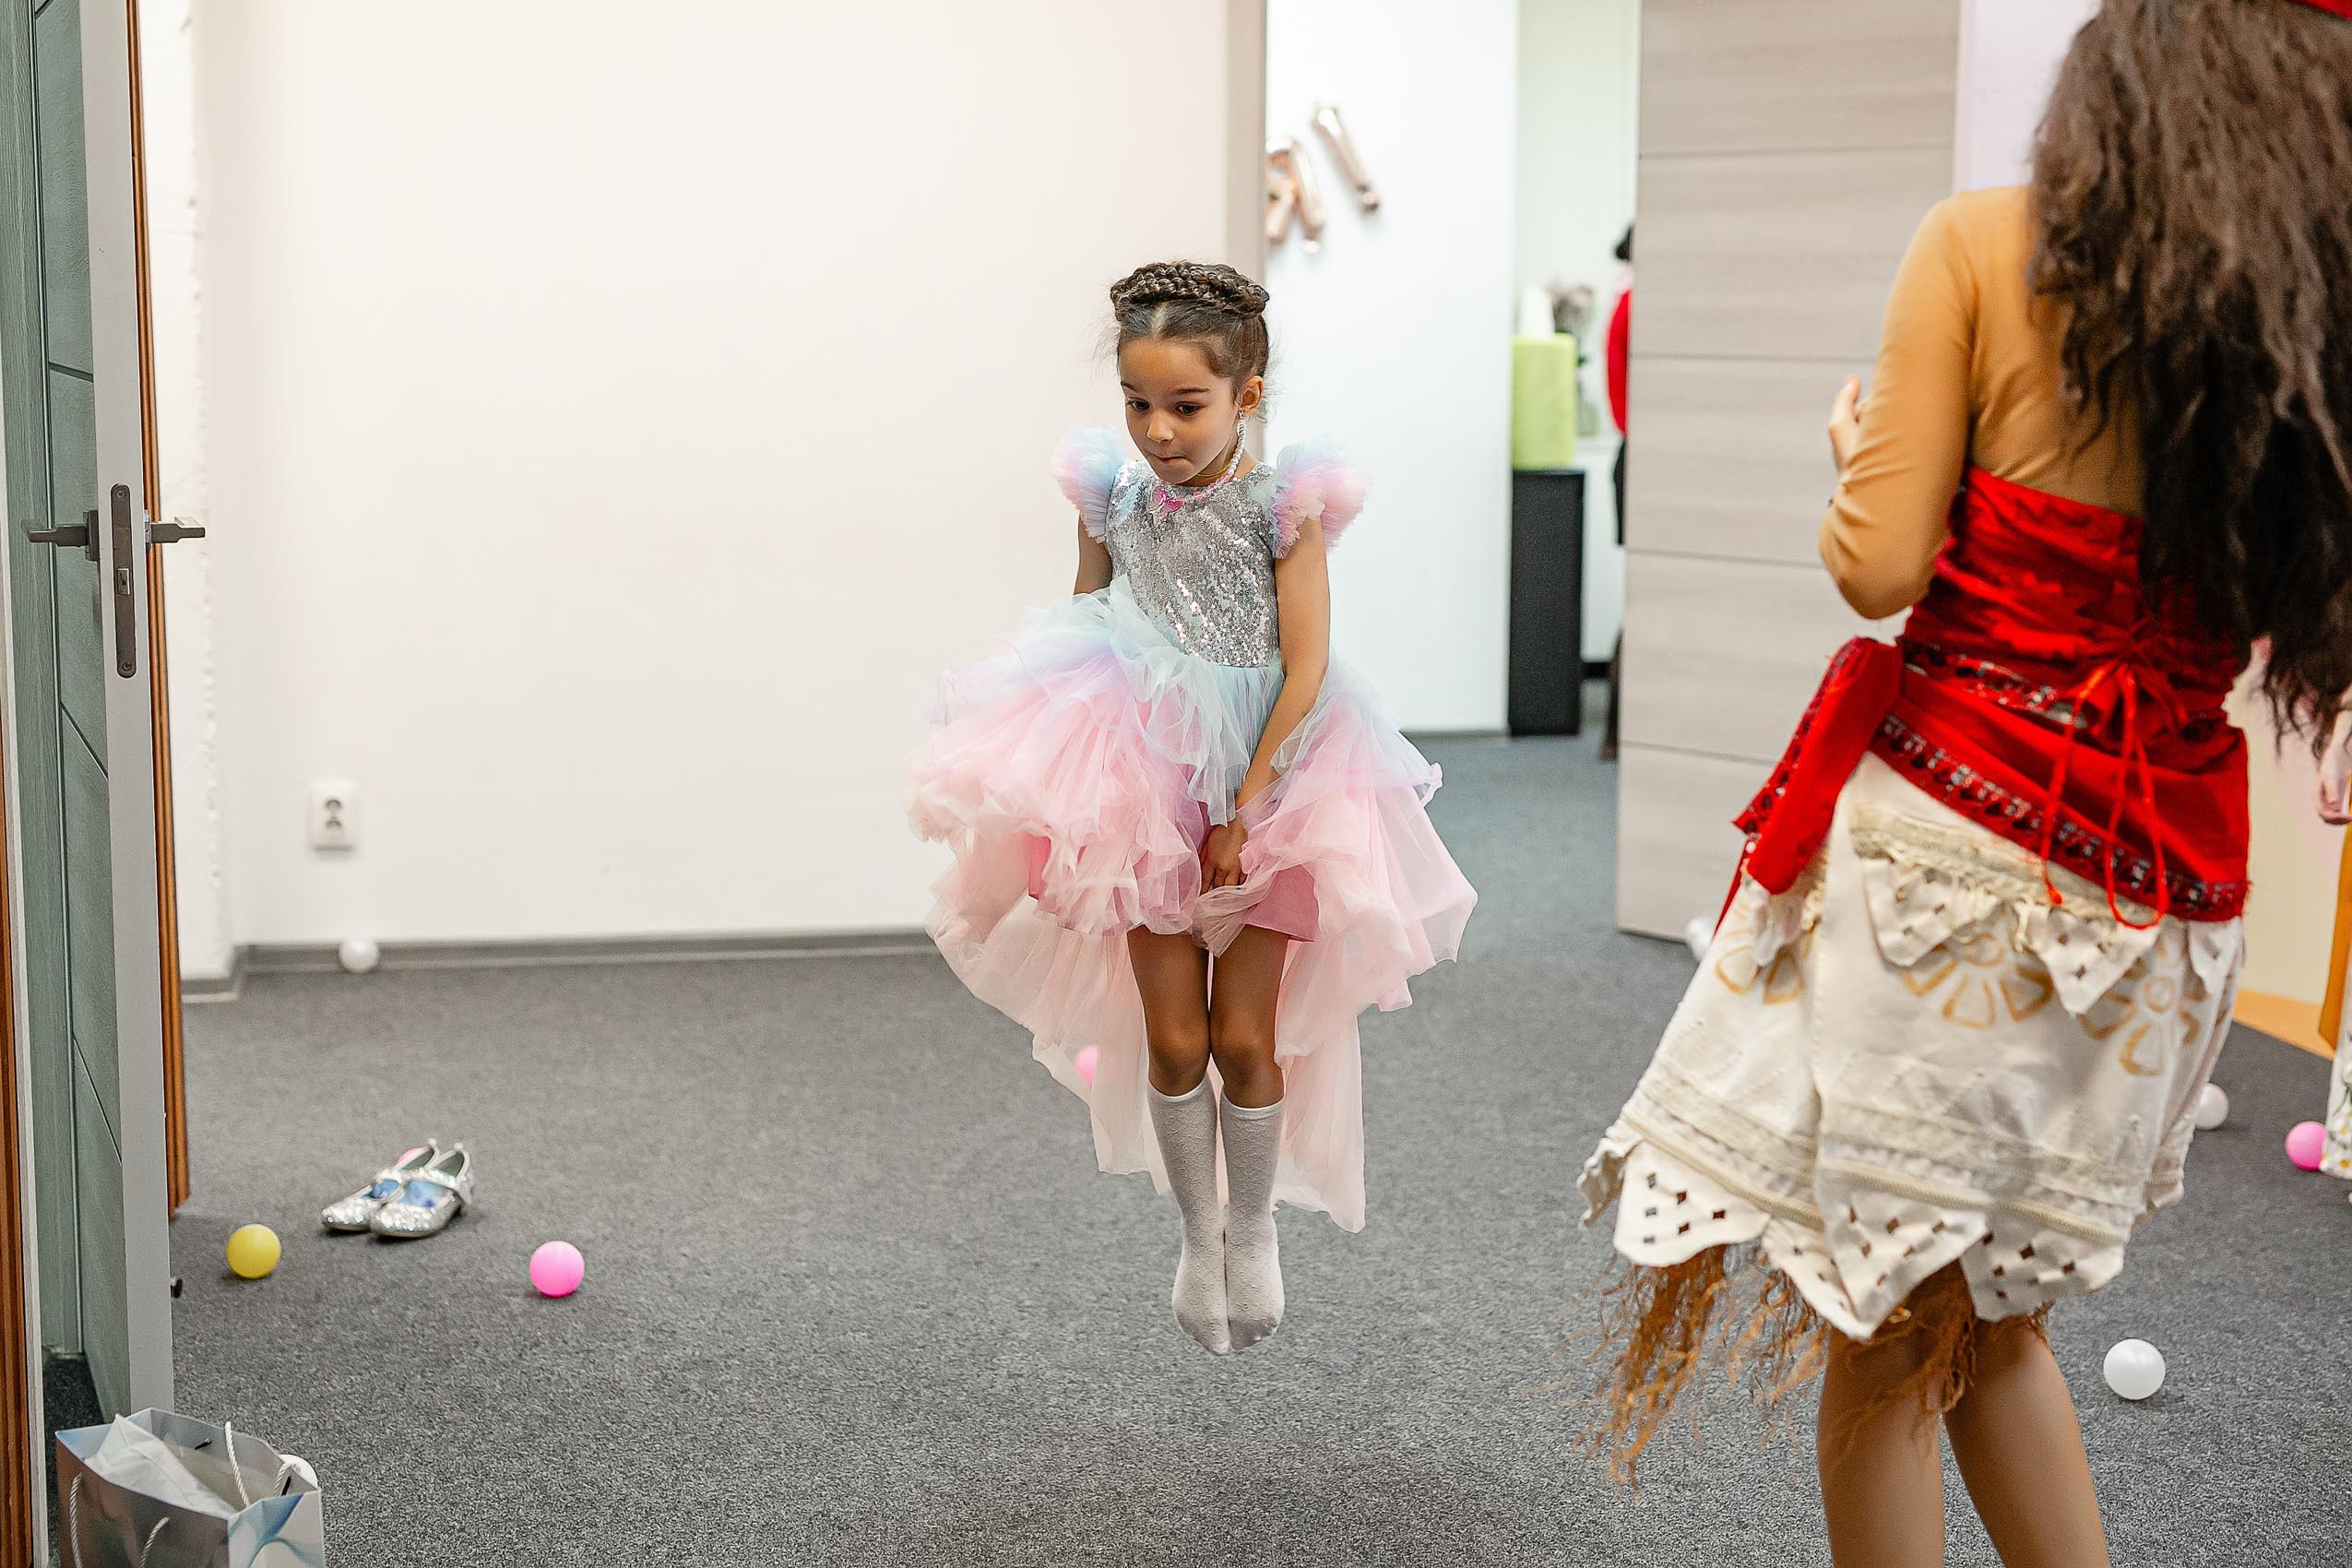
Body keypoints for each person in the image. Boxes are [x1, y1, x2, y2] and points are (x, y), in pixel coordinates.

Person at [1575, 2, 2352, 1562]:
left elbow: (1878, 565)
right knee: (1992, 1325)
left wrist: (1859, 447)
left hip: (1955, 864)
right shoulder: (2308, 308)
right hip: (2162, 895)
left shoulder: (1987, 243)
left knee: (1882, 1330)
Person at [909, 261, 1475, 1355]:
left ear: (1246, 396)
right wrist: (1065, 767)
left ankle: (1255, 1224)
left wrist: (1248, 804)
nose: (1158, 431)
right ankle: (1194, 1229)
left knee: (1241, 1031)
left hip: (1282, 775)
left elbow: (1303, 668)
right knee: (1174, 1037)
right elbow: (1087, 623)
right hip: (1146, 778)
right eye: (1138, 404)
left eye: (1185, 405)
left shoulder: (1283, 505)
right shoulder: (1110, 496)